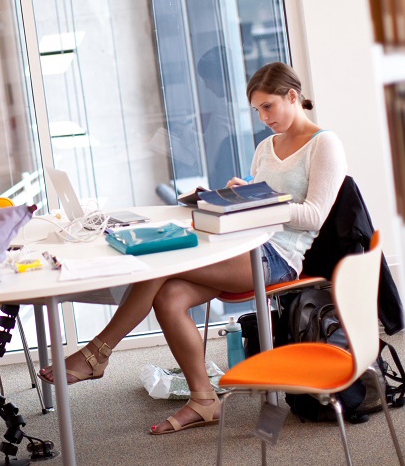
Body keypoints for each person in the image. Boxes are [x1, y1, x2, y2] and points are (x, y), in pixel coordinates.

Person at [37, 62, 346, 435]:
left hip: (277, 257)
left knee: (162, 262)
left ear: (292, 97)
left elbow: (313, 215)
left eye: (268, 107)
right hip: (241, 244)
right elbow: (265, 196)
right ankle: (204, 401)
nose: (263, 117)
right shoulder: (266, 146)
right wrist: (239, 193)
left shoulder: (324, 144)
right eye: (257, 110)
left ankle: (98, 352)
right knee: (168, 296)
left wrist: (257, 204)